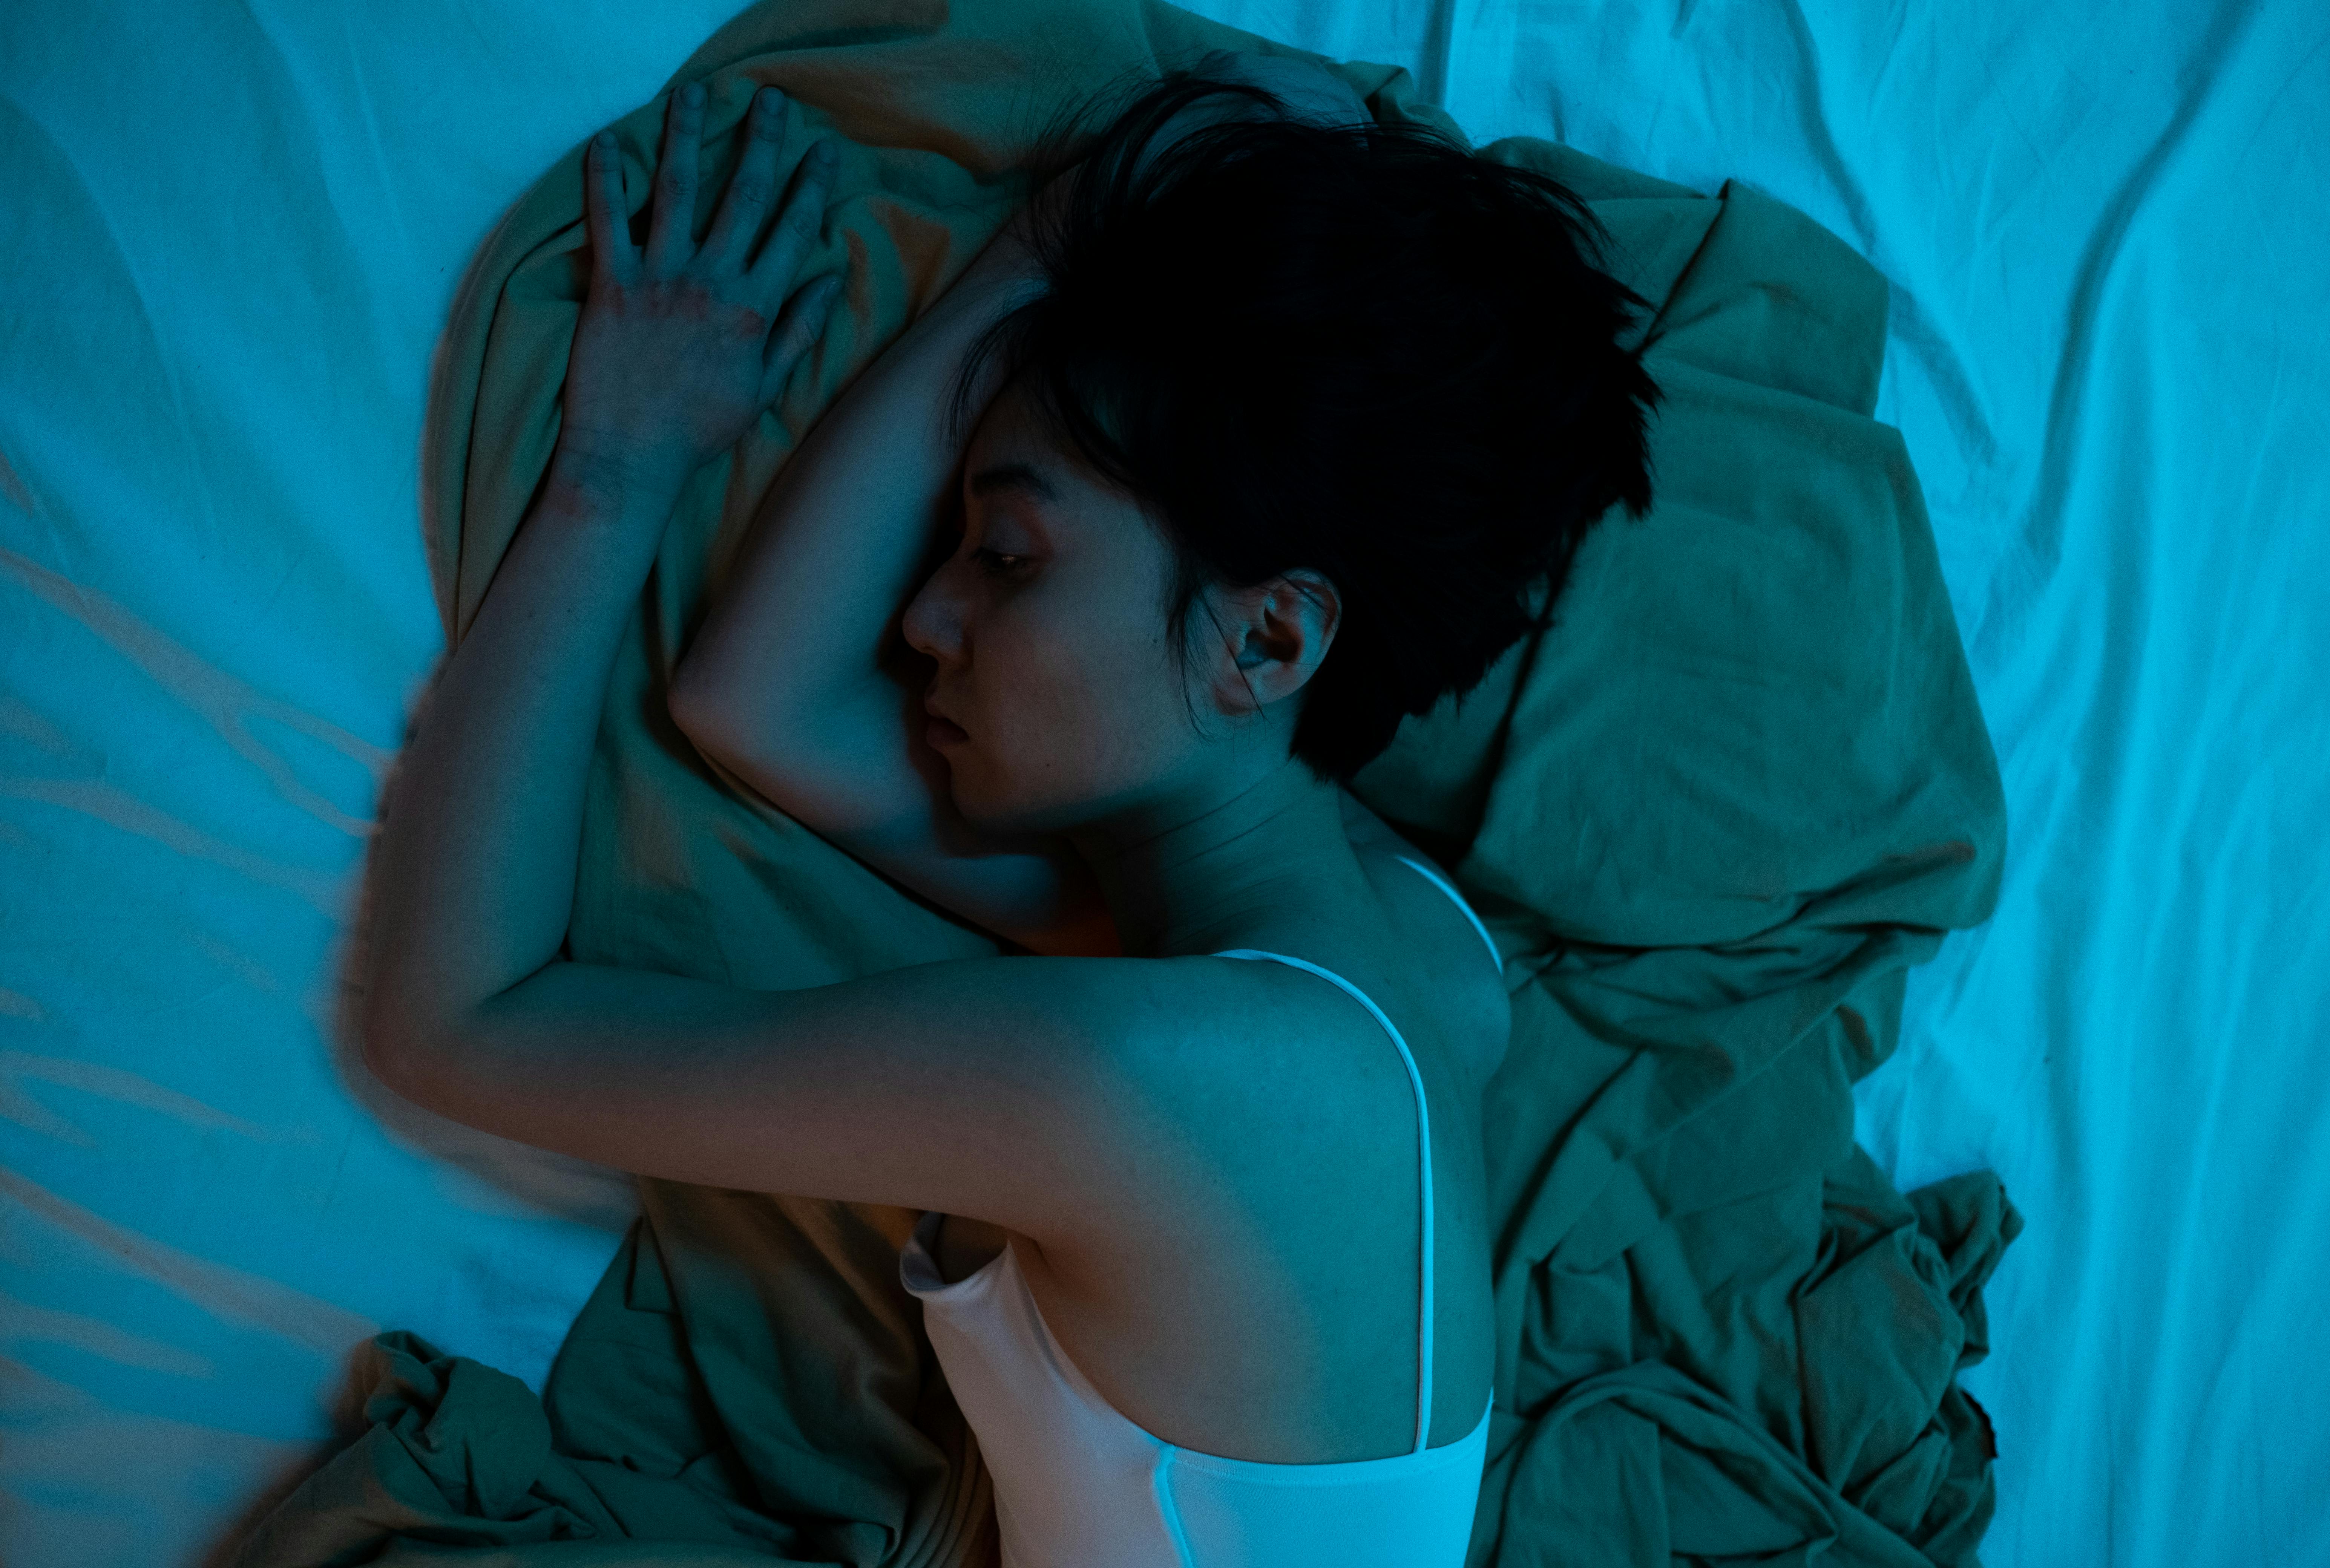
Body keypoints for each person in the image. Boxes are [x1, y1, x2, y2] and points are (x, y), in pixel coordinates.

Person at [363, 52, 1659, 1568]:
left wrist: (613, 462)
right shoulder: (1400, 957)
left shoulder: (1156, 1076)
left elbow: (452, 1027)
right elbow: (755, 706)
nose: (921, 616)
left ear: (1269, 640)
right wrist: (1062, 234)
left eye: (1010, 555)